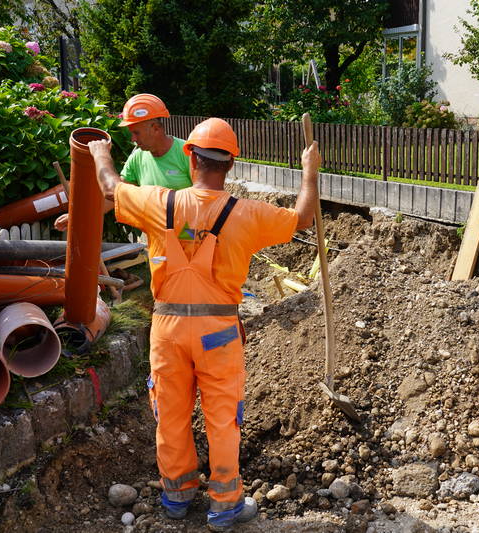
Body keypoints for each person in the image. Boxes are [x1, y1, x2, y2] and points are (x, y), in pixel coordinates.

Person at [86, 117, 320, 529]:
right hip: (218, 333)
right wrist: (310, 170)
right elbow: (302, 217)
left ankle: (176, 496)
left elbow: (109, 187)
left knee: (171, 413)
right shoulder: (248, 214)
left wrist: (101, 153)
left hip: (168, 331)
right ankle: (224, 506)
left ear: (190, 157)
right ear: (231, 165)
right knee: (223, 420)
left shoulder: (159, 203)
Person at [54, 93, 190, 231]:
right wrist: (78, 216)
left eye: (136, 133)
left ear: (155, 128)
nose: (133, 139)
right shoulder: (137, 158)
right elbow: (115, 196)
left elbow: (201, 201)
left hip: (189, 237)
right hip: (157, 239)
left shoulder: (187, 153)